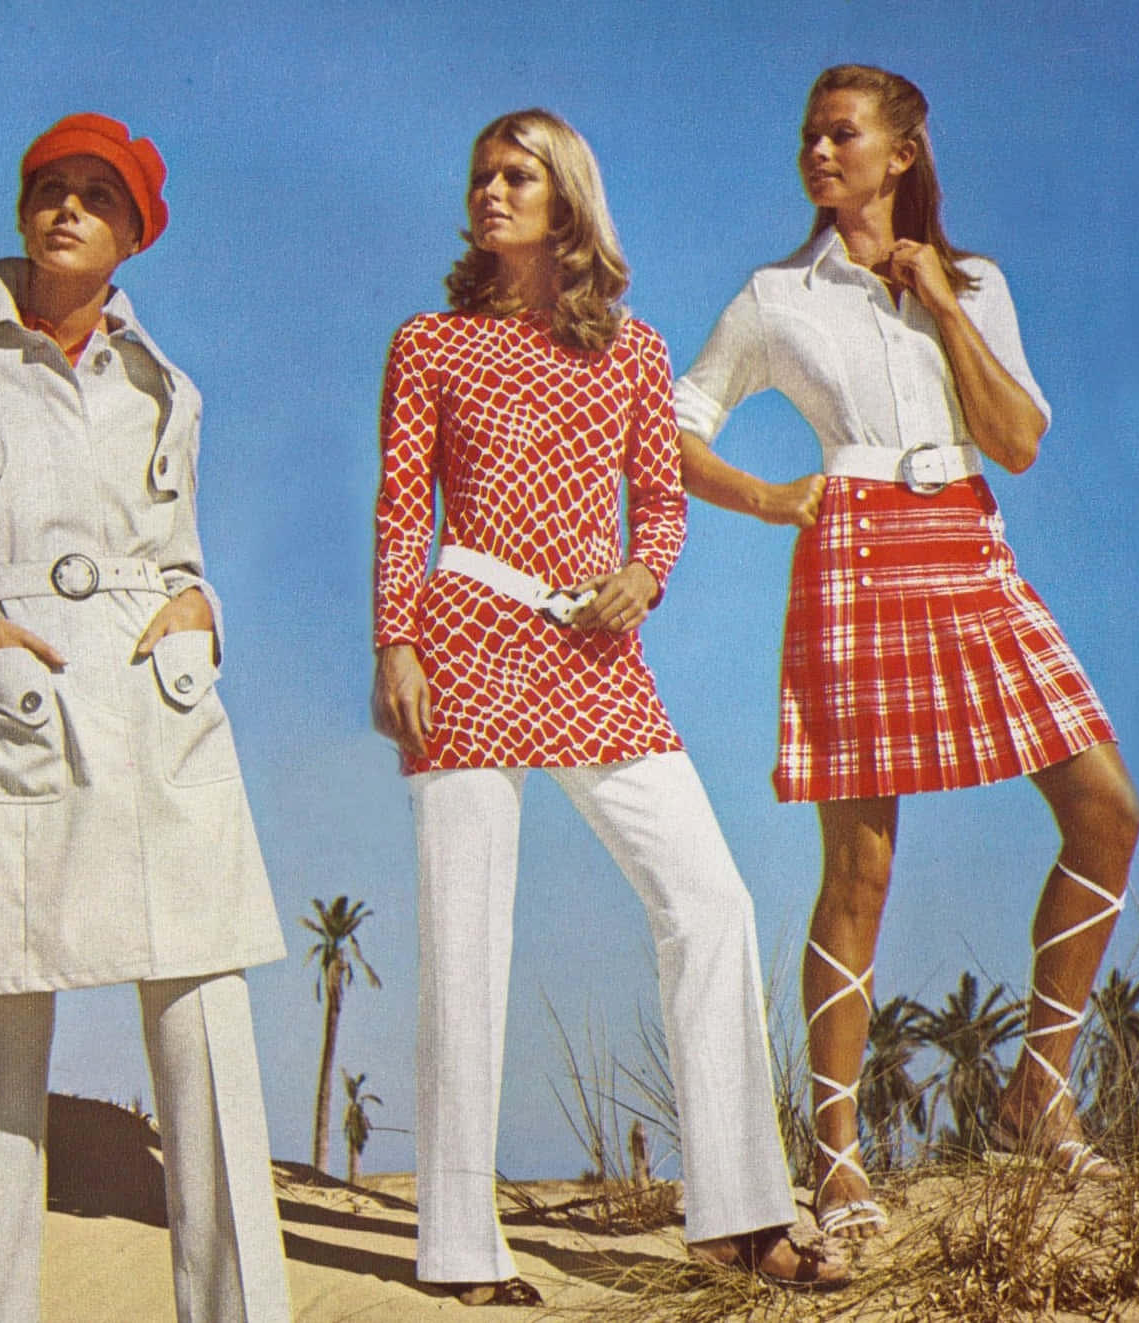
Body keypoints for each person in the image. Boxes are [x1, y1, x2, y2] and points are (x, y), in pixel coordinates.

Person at [0, 113, 293, 1323]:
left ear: (135, 231)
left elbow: (178, 553)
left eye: (96, 194)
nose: (66, 207)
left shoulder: (168, 389)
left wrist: (199, 613)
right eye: (48, 187)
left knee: (210, 1048)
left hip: (160, 721)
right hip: (13, 714)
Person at [371, 108, 849, 1305]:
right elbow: (398, 510)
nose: (490, 189)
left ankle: (740, 1215)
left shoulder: (632, 353)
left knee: (711, 899)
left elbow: (661, 501)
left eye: (516, 174)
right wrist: (394, 644)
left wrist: (645, 576)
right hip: (467, 631)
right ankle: (457, 1251)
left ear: (565, 198)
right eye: (479, 172)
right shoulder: (427, 342)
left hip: (594, 653)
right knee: (464, 944)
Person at [673, 65, 1139, 1240]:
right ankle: (834, 1155)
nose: (818, 155)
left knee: (1106, 808)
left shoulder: (975, 283)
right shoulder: (775, 297)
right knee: (860, 868)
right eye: (808, 138)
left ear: (901, 152)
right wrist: (770, 497)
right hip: (852, 554)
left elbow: (1020, 440)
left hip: (970, 541)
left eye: (842, 135)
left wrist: (938, 302)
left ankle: (1037, 1090)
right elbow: (671, 428)